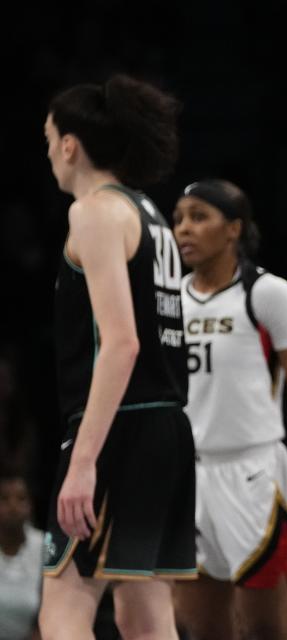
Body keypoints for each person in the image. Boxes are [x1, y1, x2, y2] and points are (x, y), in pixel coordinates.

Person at [40, 74, 195, 639]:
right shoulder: (150, 214)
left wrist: (82, 463)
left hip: (119, 430)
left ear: (70, 144)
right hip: (168, 430)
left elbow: (122, 342)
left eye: (50, 138)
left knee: (63, 607)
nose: (50, 153)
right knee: (146, 617)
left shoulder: (95, 213)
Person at [171, 179, 287, 639]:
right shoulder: (168, 302)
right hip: (190, 475)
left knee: (264, 630)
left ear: (233, 229)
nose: (184, 228)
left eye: (199, 216)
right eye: (179, 217)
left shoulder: (268, 294)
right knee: (200, 630)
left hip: (254, 475)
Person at [0, 468, 43, 640]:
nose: (13, 506)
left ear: (30, 505)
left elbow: (53, 607)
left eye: (21, 498)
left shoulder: (44, 546)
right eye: (4, 499)